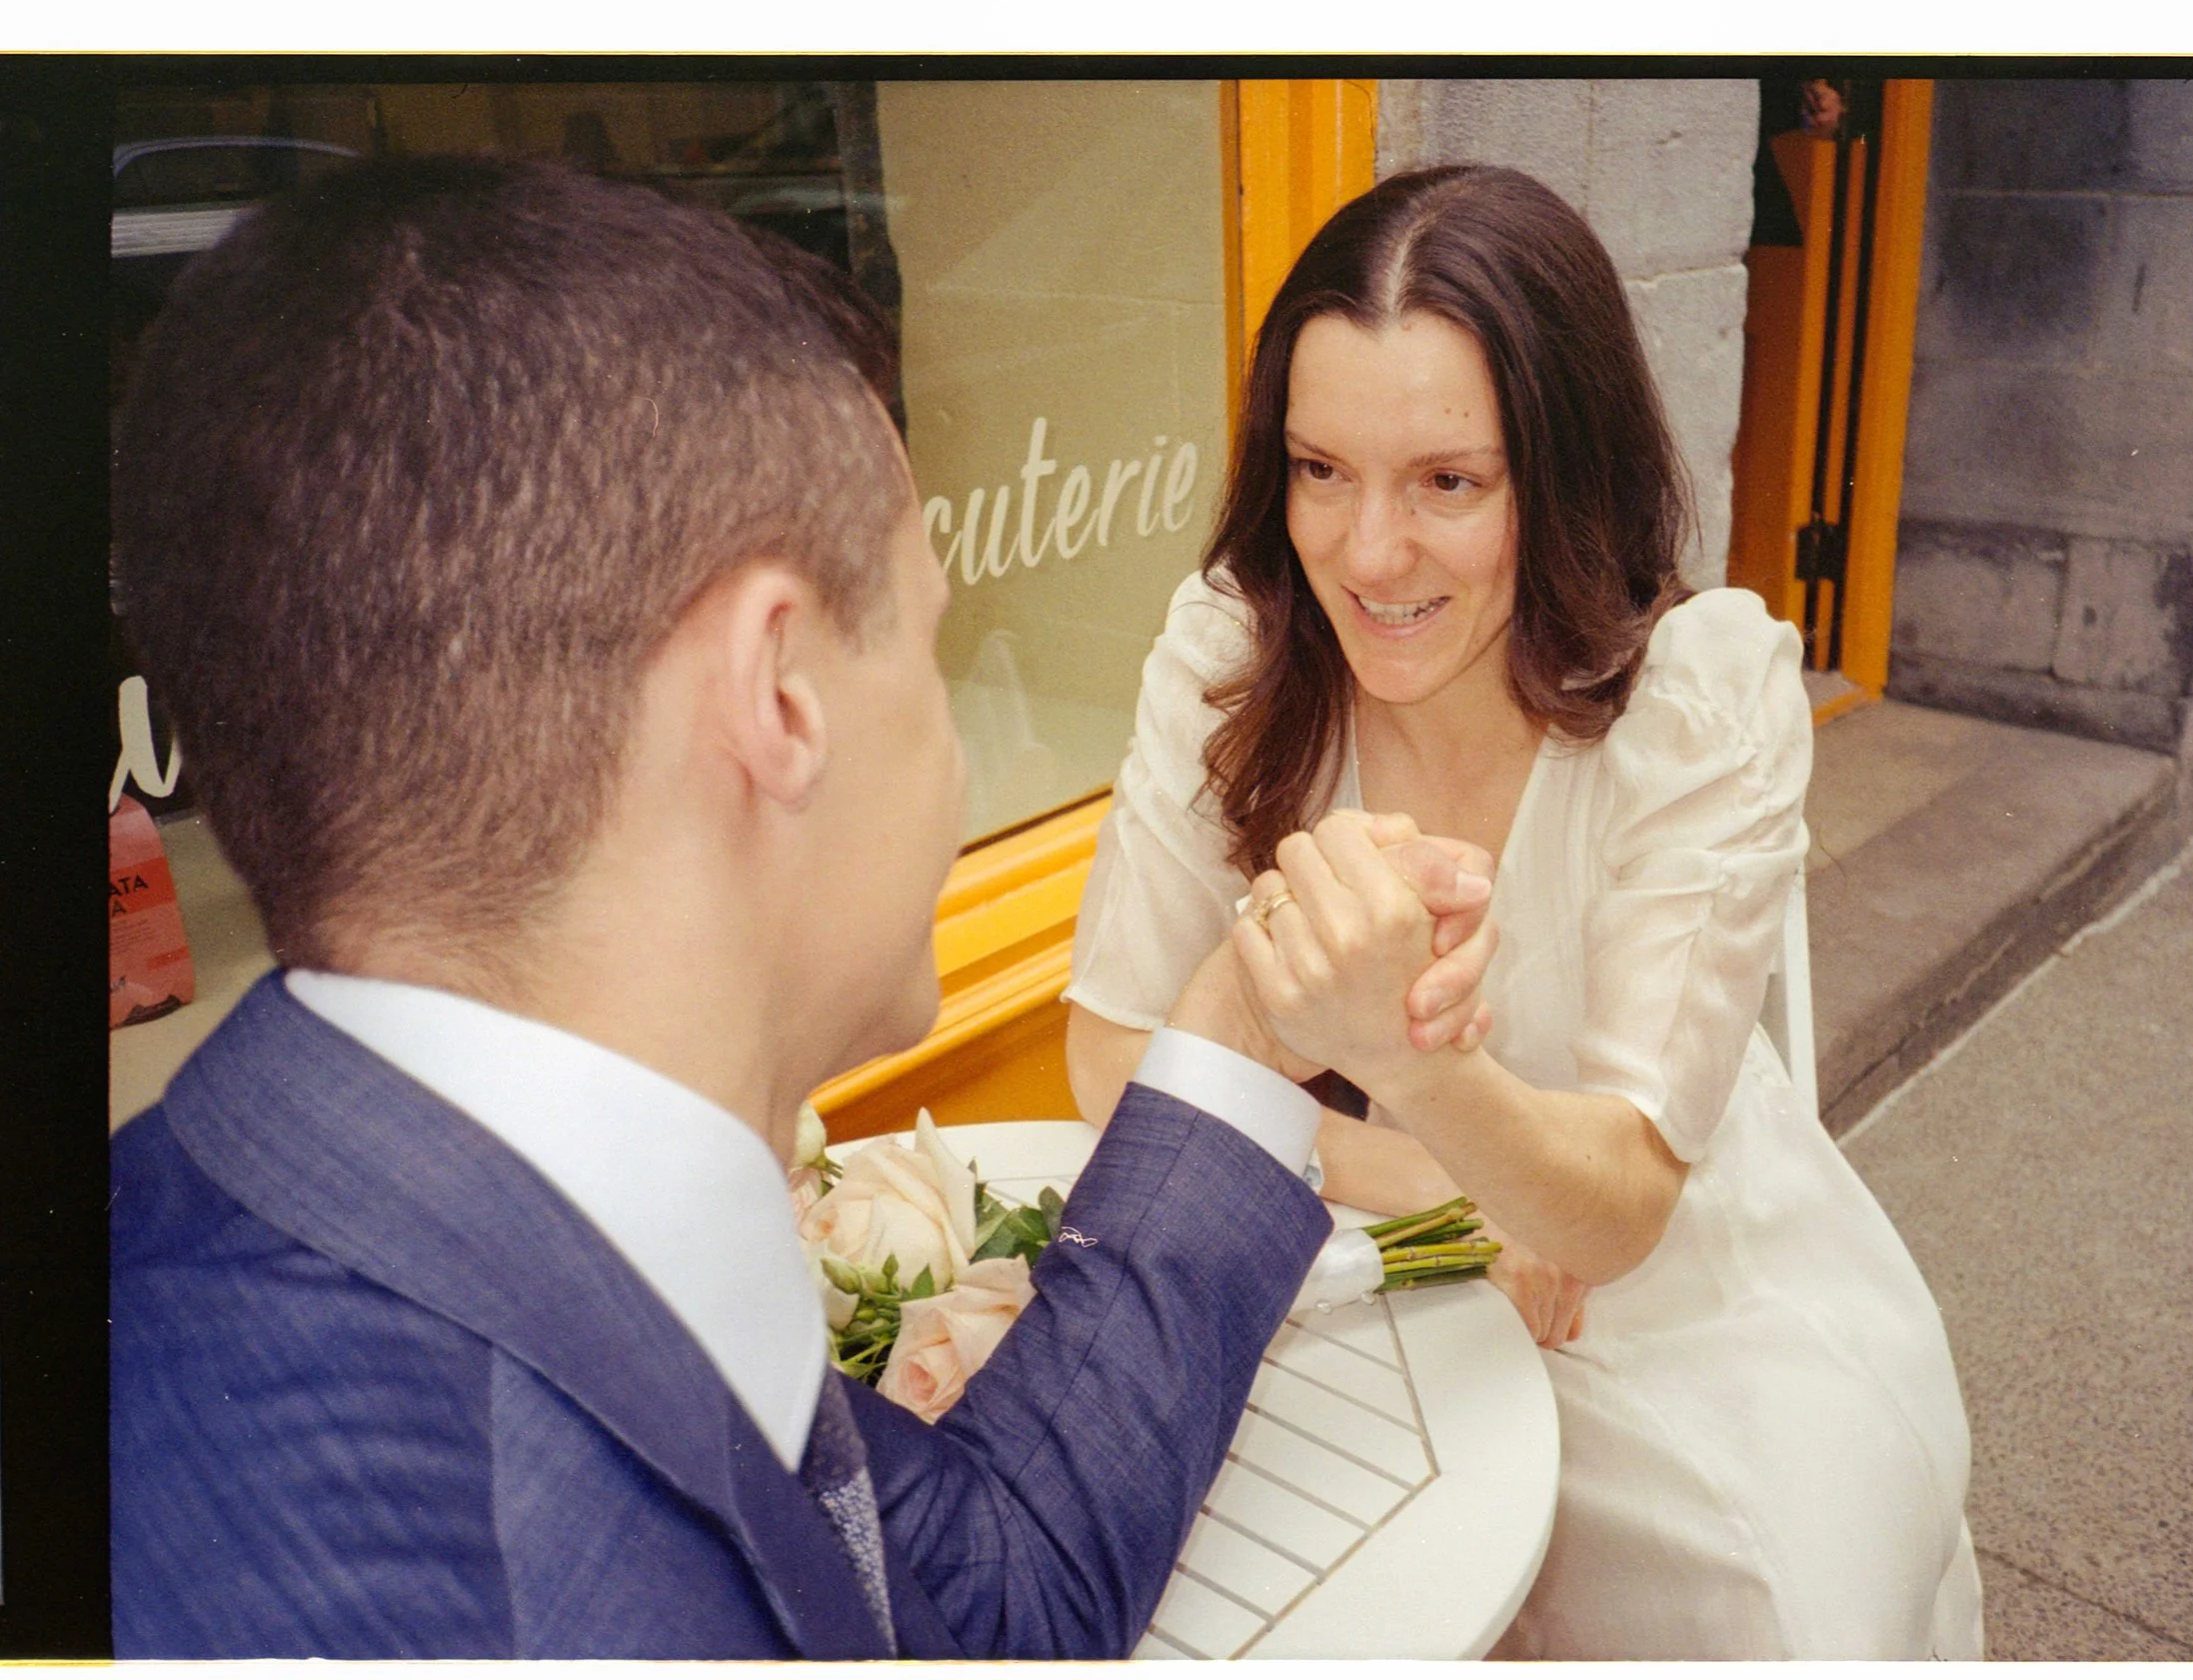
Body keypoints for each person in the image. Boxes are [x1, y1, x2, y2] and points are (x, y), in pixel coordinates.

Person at [105, 155, 1505, 1659]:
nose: (960, 744)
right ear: (779, 694)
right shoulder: (534, 1600)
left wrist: (1236, 1023)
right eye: (925, 641)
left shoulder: (289, 1193)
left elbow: (963, 1591)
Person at [1063, 164, 1986, 1660]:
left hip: (1682, 1322)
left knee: (1762, 1600)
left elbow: (1617, 1206)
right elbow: (1113, 1053)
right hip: (1369, 1275)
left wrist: (1414, 1064)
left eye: (1448, 482)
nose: (1367, 554)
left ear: (1560, 475)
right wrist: (1453, 1202)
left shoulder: (1691, 704)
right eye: (1319, 470)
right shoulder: (1237, 654)